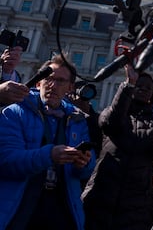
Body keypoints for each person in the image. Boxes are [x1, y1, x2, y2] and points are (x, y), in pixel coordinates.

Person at [0, 54, 95, 230]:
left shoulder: (78, 120)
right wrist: (49, 155)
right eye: (48, 79)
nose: (53, 85)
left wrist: (83, 163)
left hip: (61, 210)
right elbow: (6, 160)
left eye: (60, 81)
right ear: (38, 82)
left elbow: (87, 169)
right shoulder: (13, 112)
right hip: (21, 207)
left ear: (70, 87)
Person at [81, 64, 153, 230]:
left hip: (137, 200)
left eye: (148, 88)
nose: (143, 89)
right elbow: (109, 123)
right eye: (139, 85)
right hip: (102, 191)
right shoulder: (111, 112)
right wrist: (127, 86)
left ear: (152, 96)